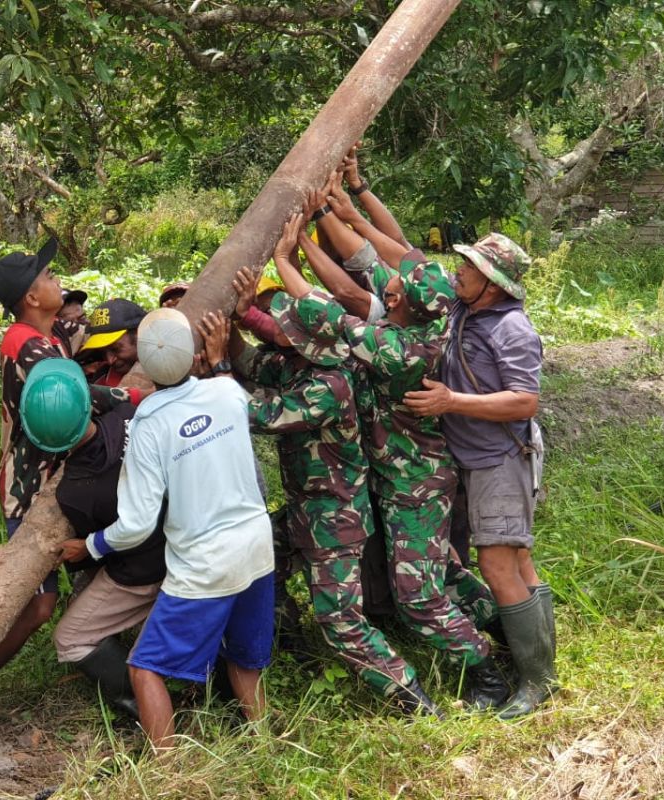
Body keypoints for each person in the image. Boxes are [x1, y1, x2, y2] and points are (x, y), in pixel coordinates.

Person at [277, 192, 510, 713]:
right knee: (439, 571)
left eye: (397, 284)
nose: (390, 280)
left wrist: (283, 262)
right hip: (402, 478)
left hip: (415, 488)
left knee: (420, 597)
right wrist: (321, 214)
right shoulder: (426, 313)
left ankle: (485, 668)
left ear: (402, 303)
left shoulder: (400, 349)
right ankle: (511, 627)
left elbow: (327, 313)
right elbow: (360, 265)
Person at [199, 257, 433, 714]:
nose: (278, 332)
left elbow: (257, 414)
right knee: (264, 559)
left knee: (340, 619)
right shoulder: (299, 365)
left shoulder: (331, 385)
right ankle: (289, 642)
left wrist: (217, 366)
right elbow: (251, 361)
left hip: (334, 521)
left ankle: (412, 698)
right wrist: (234, 319)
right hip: (309, 511)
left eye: (287, 329)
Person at [61, 308, 274, 751]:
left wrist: (93, 544)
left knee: (145, 668)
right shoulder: (228, 392)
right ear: (194, 352)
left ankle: (167, 771)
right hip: (256, 546)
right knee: (243, 658)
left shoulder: (149, 424)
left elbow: (136, 524)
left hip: (204, 563)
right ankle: (265, 742)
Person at [0, 240, 140, 734]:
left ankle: (123, 674)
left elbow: (100, 328)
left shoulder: (47, 330)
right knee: (39, 604)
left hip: (65, 480)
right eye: (46, 277)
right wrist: (135, 394)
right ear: (30, 297)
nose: (55, 279)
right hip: (31, 490)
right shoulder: (30, 346)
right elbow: (83, 397)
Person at [403, 233, 556, 719]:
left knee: (497, 565)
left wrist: (451, 402)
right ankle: (537, 664)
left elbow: (524, 400)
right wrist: (353, 201)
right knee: (518, 561)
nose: (457, 271)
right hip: (475, 458)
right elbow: (403, 253)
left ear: (491, 281)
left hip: (499, 459)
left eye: (468, 266)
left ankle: (537, 682)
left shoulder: (511, 328)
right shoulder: (463, 308)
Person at [16, 367, 167, 719]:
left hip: (143, 571)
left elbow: (91, 558)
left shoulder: (76, 490)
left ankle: (138, 703)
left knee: (70, 639)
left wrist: (82, 547)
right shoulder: (129, 415)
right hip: (184, 541)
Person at [78, 299, 147, 387]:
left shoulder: (167, 372)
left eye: (116, 349)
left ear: (139, 336)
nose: (110, 360)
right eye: (102, 353)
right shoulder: (101, 379)